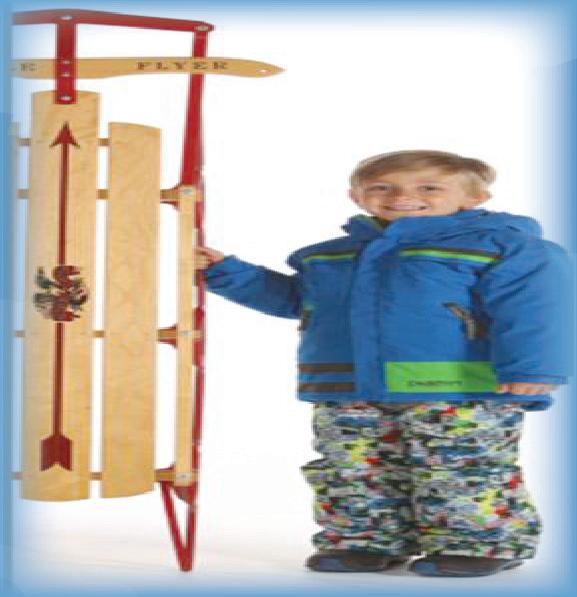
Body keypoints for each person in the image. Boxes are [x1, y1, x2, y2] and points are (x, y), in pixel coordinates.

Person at [196, 150, 574, 577]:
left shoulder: (503, 248)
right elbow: (296, 300)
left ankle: (479, 543)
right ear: (356, 196)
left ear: (475, 197)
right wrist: (228, 273)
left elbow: (539, 309)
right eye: (381, 188)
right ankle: (366, 540)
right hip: (348, 387)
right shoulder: (329, 256)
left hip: (458, 390)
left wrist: (533, 369)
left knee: (459, 466)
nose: (401, 197)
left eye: (429, 187)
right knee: (354, 468)